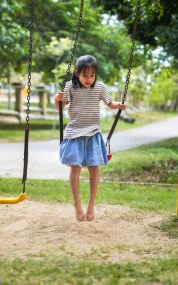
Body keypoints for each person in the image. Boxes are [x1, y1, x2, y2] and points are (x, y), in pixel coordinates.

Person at [54, 55, 127, 222]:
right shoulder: (70, 86)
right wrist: (56, 99)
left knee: (94, 168)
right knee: (75, 168)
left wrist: (119, 105)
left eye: (92, 75)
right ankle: (77, 204)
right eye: (85, 75)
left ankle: (91, 205)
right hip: (74, 132)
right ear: (77, 73)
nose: (88, 79)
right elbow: (60, 106)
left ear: (96, 75)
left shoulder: (100, 87)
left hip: (93, 132)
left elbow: (110, 103)